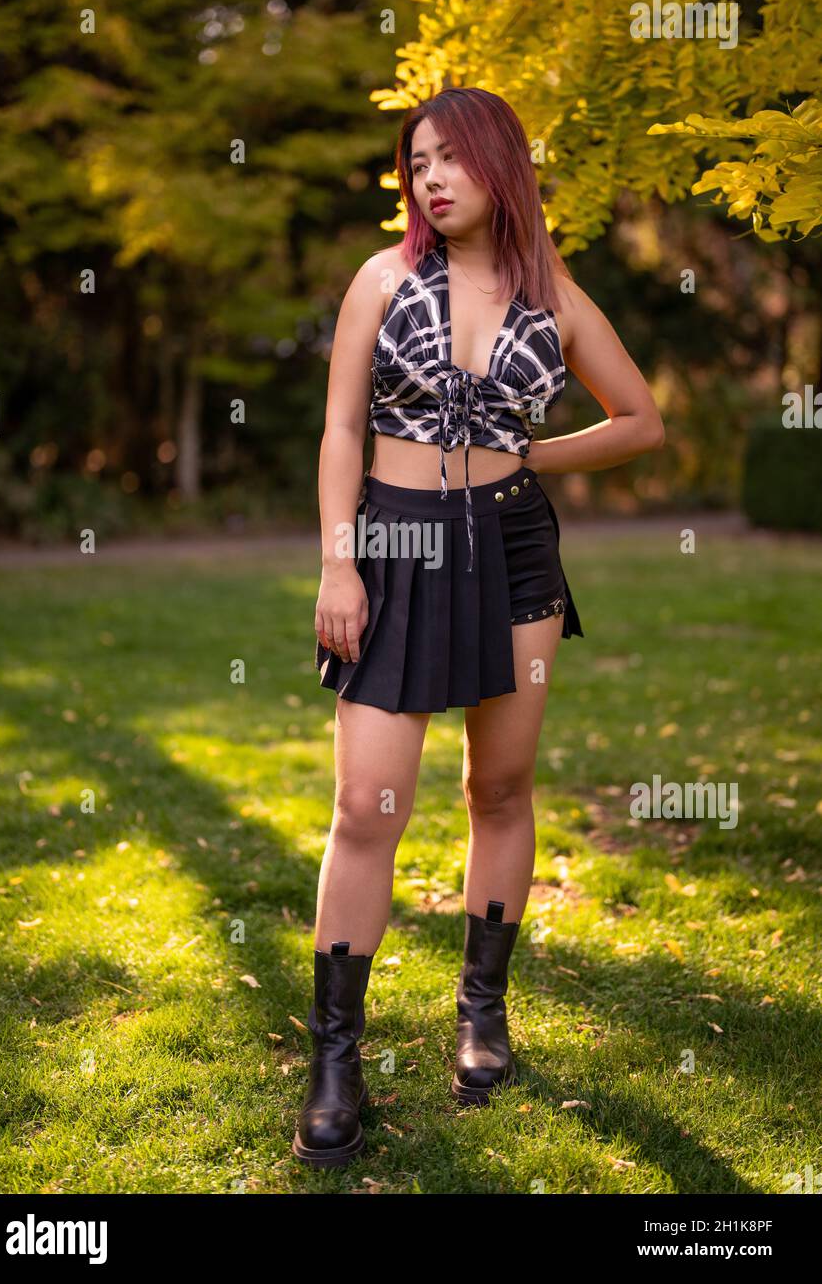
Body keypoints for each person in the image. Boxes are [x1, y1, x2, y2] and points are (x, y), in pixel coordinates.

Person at [292, 86, 664, 1168]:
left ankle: (480, 1015)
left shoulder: (551, 296)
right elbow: (339, 427)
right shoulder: (381, 279)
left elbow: (640, 418)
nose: (432, 178)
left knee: (497, 789)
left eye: (451, 158)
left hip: (510, 548)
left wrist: (530, 457)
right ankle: (334, 1058)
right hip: (393, 544)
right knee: (365, 802)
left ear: (500, 165)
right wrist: (338, 559)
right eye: (416, 163)